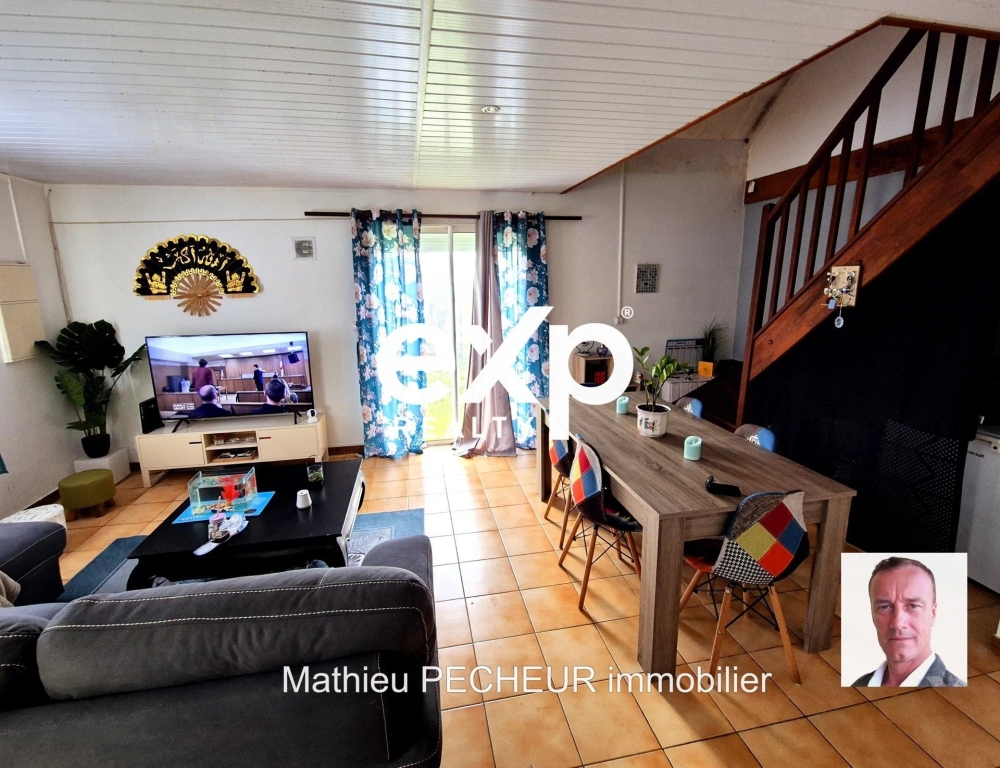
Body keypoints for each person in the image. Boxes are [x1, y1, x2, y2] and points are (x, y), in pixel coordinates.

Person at [852, 557, 965, 687]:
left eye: (913, 606)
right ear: (873, 615)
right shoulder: (859, 684)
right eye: (884, 607)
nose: (897, 623)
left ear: (933, 613)